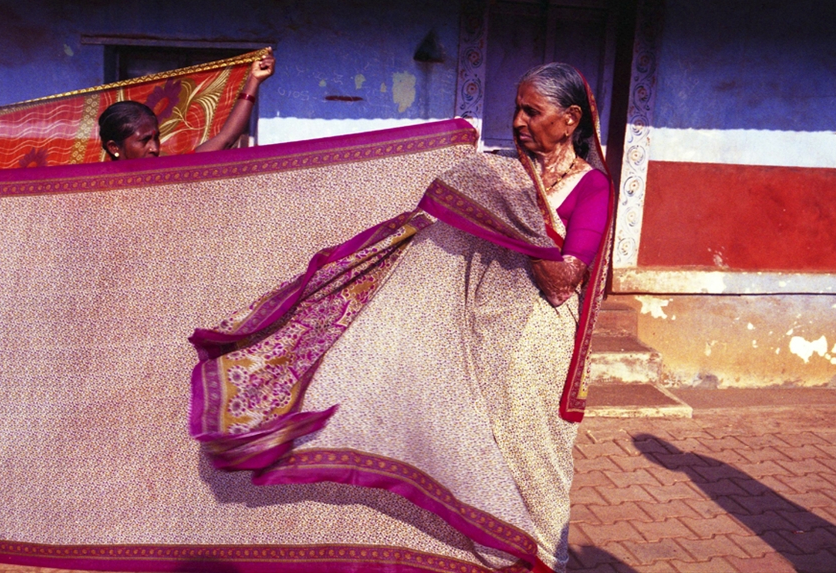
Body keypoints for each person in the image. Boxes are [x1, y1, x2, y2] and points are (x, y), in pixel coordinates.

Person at [188, 62, 613, 573]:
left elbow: (561, 280)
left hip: (535, 350)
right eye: (516, 108)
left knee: (535, 468)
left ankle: (549, 562)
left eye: (532, 111)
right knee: (479, 459)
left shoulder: (590, 189)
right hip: (477, 342)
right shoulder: (501, 174)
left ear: (569, 120)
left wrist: (512, 206)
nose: (519, 121)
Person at [98, 50, 275, 160]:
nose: (155, 148)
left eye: (156, 138)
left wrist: (254, 80)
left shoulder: (170, 173)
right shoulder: (93, 187)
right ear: (114, 147)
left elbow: (227, 138)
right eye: (144, 140)